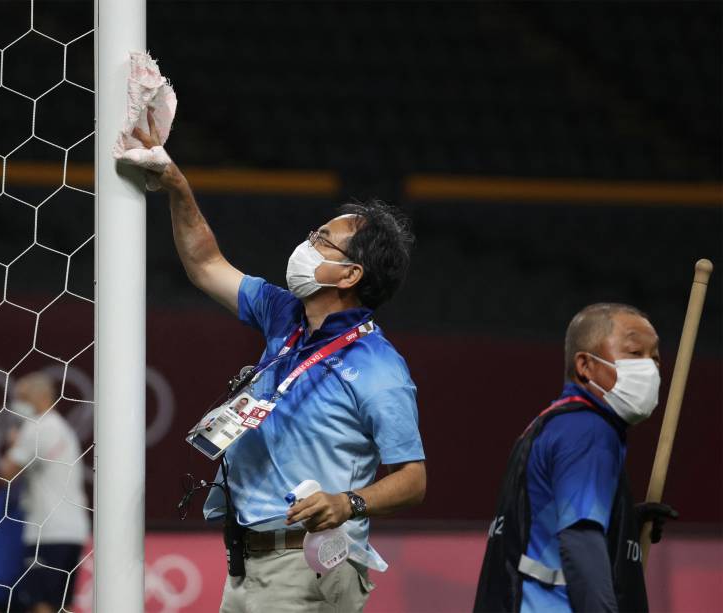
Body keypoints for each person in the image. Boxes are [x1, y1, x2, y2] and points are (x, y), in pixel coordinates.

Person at [134, 116, 427, 612]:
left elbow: (414, 478)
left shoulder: (380, 367)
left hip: (309, 567)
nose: (306, 244)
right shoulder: (283, 315)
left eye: (322, 241)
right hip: (247, 562)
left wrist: (347, 503)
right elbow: (206, 264)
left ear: (350, 273)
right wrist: (178, 188)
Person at [474, 303, 678, 613]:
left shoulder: (553, 423)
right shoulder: (589, 431)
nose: (650, 368)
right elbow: (581, 543)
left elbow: (541, 525)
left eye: (655, 358)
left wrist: (623, 523)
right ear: (585, 365)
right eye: (635, 353)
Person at [0, 372, 90, 613]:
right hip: (73, 530)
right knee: (62, 604)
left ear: (40, 397)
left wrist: (15, 443)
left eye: (22, 397)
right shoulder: (62, 428)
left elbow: (6, 473)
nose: (16, 403)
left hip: (47, 531)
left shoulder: (37, 428)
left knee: (39, 604)